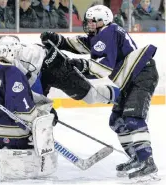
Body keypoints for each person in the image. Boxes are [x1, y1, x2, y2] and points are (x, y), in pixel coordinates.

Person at [40, 5, 159, 180]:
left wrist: (82, 64)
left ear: (104, 21)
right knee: (117, 121)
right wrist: (58, 40)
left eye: (93, 21)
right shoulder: (103, 33)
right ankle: (136, 158)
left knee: (133, 118)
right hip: (131, 79)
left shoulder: (108, 32)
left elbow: (104, 66)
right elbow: (82, 45)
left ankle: (147, 161)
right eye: (88, 21)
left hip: (142, 75)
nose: (90, 24)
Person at [0, 33, 57, 181]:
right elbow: (21, 110)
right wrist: (38, 120)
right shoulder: (13, 72)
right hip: (3, 130)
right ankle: (8, 152)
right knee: (31, 133)